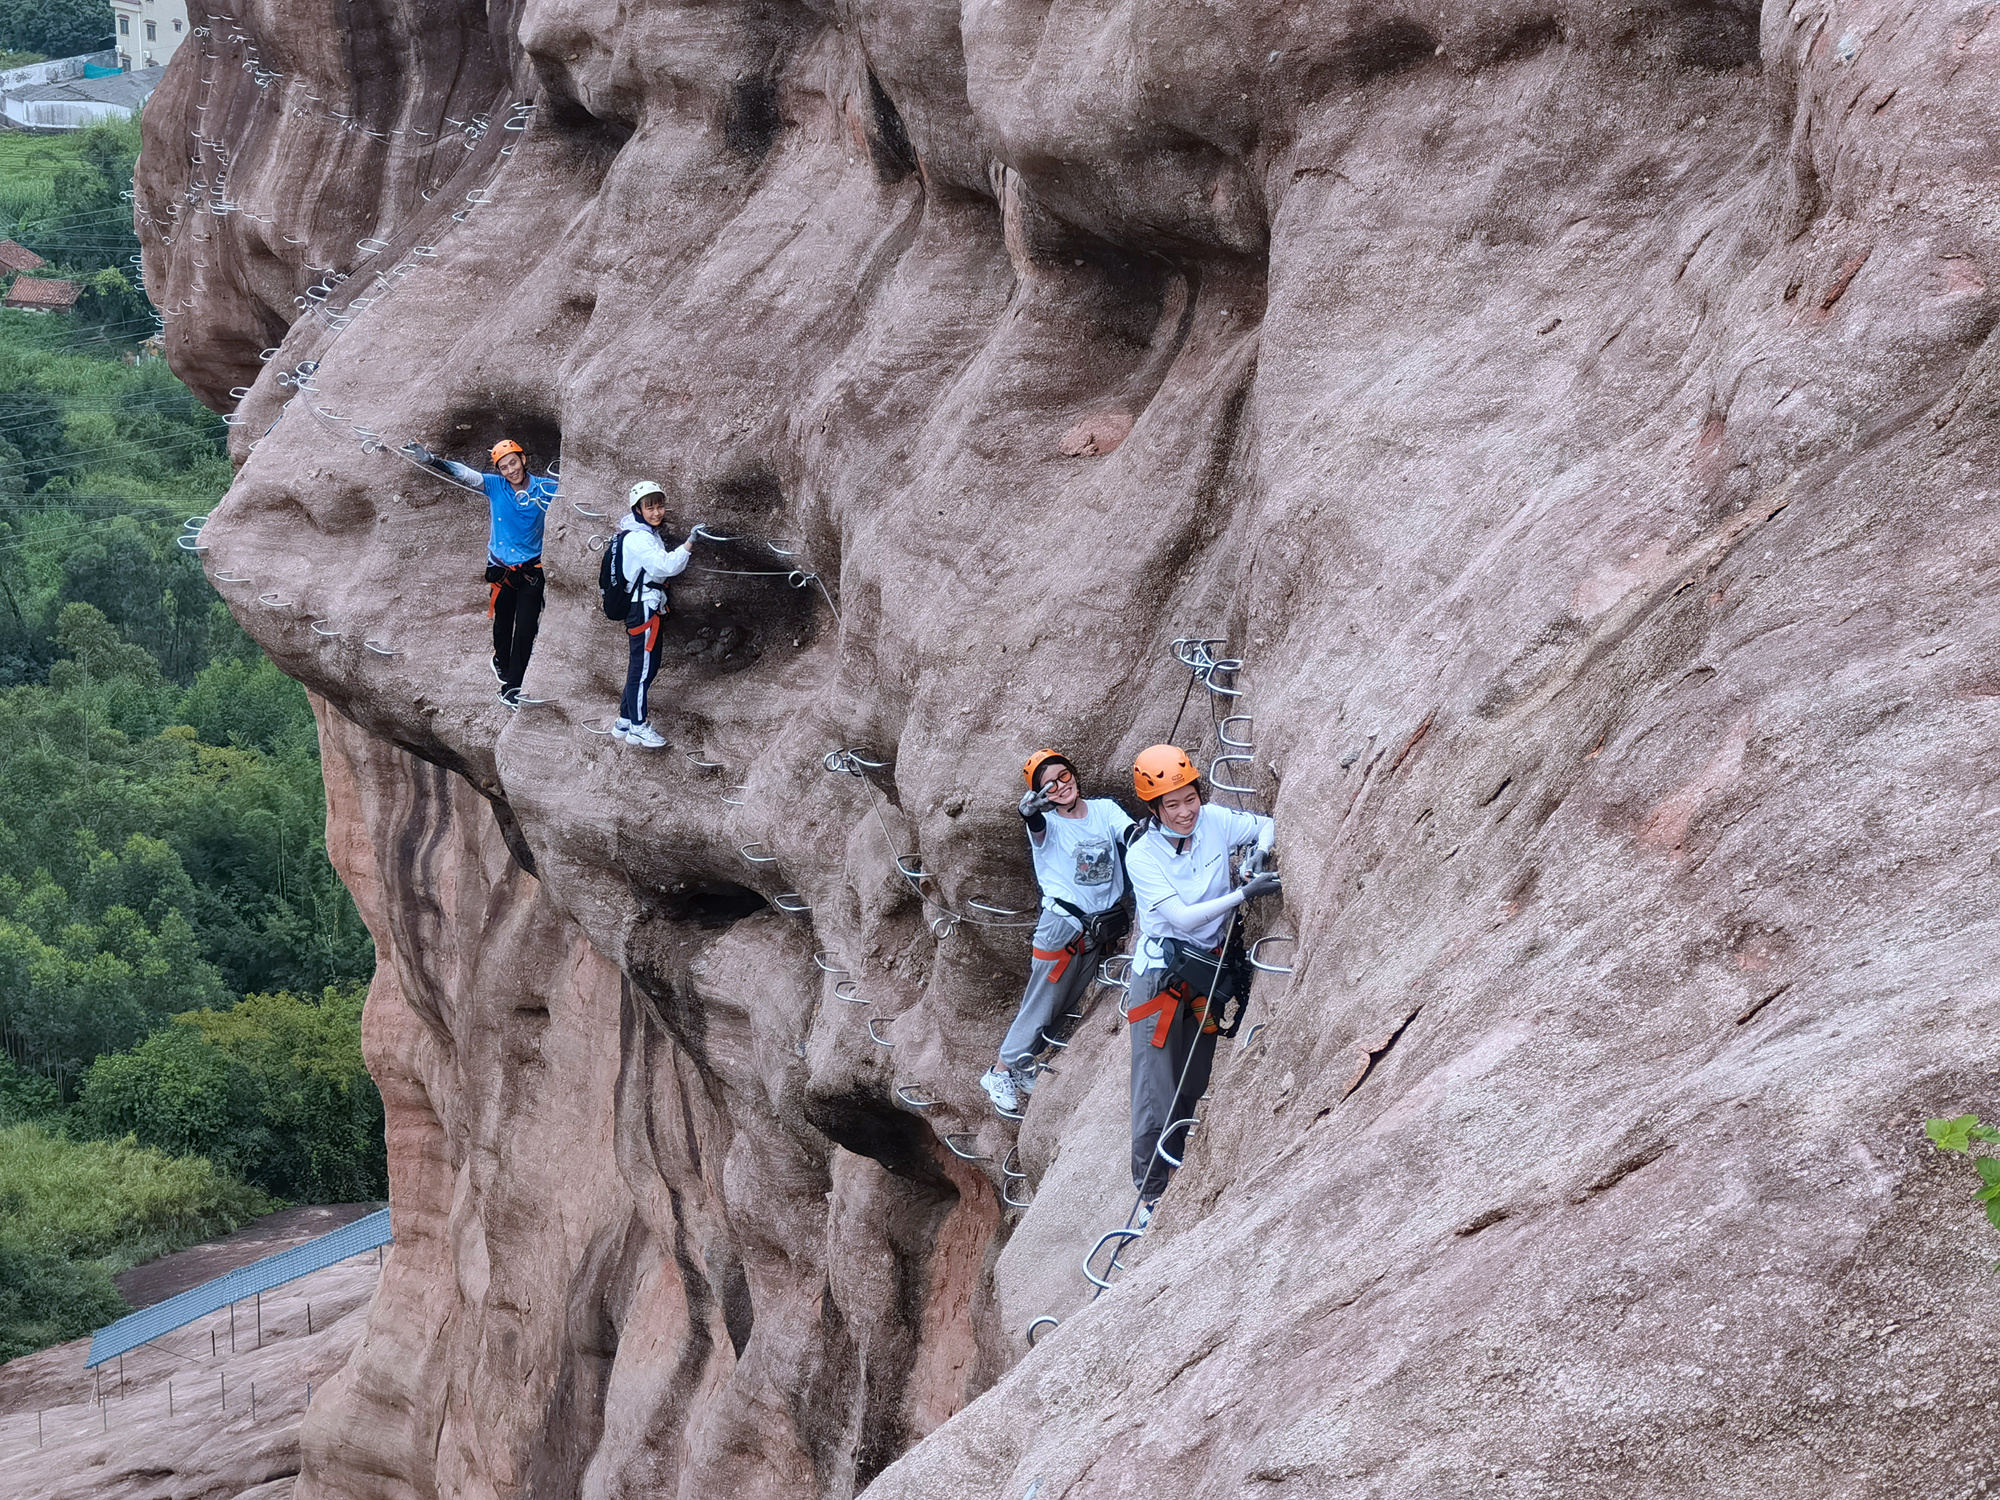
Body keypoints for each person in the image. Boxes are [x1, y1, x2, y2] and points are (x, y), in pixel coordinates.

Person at [1121, 744, 1279, 1227]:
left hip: (1206, 972)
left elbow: (1265, 824)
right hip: (1161, 979)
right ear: (1154, 809)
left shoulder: (1213, 820)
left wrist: (1257, 855)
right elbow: (1183, 917)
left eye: (1189, 798)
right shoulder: (1142, 856)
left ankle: (1177, 1162)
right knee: (1156, 1087)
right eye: (1172, 804)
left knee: (1193, 1078)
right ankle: (1152, 1191)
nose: (1185, 811)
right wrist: (1243, 893)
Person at [980, 750, 1134, 1116]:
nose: (1060, 786)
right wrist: (1030, 811)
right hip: (1060, 929)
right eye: (1049, 785)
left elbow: (1127, 832)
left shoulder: (1104, 810)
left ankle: (1021, 1066)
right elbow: (1034, 823)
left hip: (1094, 930)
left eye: (1064, 776)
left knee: (1064, 1006)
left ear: (1074, 775)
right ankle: (999, 1071)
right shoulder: (1048, 826)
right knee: (1041, 1003)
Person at [401, 437, 557, 707]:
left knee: (526, 629)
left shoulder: (546, 488)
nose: (511, 470)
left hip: (531, 570)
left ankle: (513, 687)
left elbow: (572, 497)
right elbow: (466, 474)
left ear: (523, 460)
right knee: (503, 623)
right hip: (501, 568)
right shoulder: (495, 486)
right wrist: (433, 461)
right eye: (504, 467)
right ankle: (501, 660)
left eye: (513, 463)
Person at [612, 481, 699, 748]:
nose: (657, 512)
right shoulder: (638, 537)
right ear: (637, 509)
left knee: (641, 666)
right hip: (643, 607)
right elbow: (664, 566)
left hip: (645, 605)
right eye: (650, 508)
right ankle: (638, 727)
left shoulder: (641, 532)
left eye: (660, 506)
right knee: (642, 669)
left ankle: (625, 720)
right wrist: (689, 544)